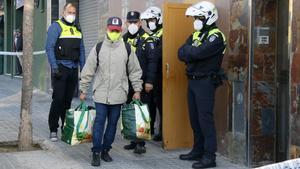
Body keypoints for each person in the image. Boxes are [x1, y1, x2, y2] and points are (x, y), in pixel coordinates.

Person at [79, 16, 143, 167]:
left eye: (117, 30)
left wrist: (137, 89)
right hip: (100, 93)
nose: (114, 32)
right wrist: (83, 89)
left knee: (113, 124)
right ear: (107, 29)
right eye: (112, 30)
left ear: (120, 30)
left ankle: (106, 150)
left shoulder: (127, 48)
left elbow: (135, 71)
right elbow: (88, 70)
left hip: (119, 94)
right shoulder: (98, 48)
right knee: (100, 122)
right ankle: (96, 151)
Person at [178, 1, 226, 169]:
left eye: (199, 17)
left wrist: (191, 52)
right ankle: (197, 151)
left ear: (209, 17)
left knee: (205, 120)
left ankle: (209, 157)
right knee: (195, 119)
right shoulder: (196, 35)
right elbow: (180, 52)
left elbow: (197, 52)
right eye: (195, 17)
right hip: (192, 81)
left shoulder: (216, 36)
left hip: (206, 82)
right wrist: (192, 52)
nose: (196, 20)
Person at [45, 3, 85, 142]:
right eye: (69, 12)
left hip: (73, 69)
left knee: (68, 101)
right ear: (63, 12)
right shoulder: (56, 26)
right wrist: (54, 67)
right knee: (58, 99)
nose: (72, 14)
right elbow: (49, 47)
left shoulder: (77, 28)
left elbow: (82, 49)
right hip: (60, 68)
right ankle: (53, 129)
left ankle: (65, 127)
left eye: (74, 12)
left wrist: (83, 68)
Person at [123, 11, 158, 154]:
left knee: (142, 112)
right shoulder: (123, 39)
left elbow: (152, 62)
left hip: (143, 83)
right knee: (131, 111)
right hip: (127, 82)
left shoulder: (148, 39)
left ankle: (141, 143)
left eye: (135, 22)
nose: (132, 25)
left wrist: (149, 81)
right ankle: (133, 139)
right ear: (126, 23)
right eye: (130, 22)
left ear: (140, 23)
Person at [140, 6, 163, 141]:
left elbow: (158, 54)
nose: (150, 22)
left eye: (152, 19)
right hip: (151, 75)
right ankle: (151, 129)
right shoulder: (151, 35)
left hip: (160, 75)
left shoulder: (164, 32)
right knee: (150, 104)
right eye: (148, 20)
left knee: (160, 104)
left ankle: (163, 132)